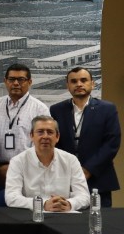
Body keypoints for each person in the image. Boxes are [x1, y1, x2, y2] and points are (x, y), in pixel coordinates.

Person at [50, 67, 121, 207]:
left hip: (98, 178)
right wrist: (71, 171)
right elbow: (55, 143)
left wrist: (88, 170)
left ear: (92, 84)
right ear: (68, 86)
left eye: (83, 80)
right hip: (66, 179)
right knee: (67, 220)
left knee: (99, 219)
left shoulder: (107, 109)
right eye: (73, 81)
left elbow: (112, 143)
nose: (79, 84)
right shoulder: (56, 110)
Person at [0, 63, 49, 206]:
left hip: (27, 172)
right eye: (11, 79)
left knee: (21, 212)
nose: (15, 83)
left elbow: (43, 146)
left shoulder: (40, 109)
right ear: (5, 81)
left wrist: (15, 168)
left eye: (21, 79)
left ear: (30, 82)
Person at [5, 116, 90, 211]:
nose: (45, 136)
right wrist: (43, 204)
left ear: (57, 137)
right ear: (31, 136)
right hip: (31, 216)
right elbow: (11, 197)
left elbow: (84, 196)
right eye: (40, 132)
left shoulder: (71, 160)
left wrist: (69, 204)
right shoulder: (17, 161)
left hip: (63, 214)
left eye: (50, 132)